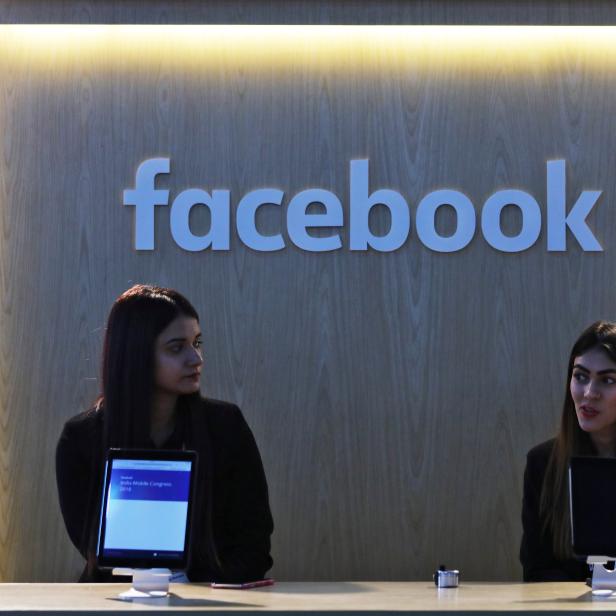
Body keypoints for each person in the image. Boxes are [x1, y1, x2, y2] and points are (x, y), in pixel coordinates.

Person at [56, 284, 273, 582]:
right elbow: (97, 551)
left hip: (210, 602)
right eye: (177, 347)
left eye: (197, 343)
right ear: (136, 354)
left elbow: (254, 544)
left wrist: (199, 590)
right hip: (117, 603)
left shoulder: (225, 426)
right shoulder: (82, 438)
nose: (196, 359)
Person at [520, 320, 616, 581]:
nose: (589, 393)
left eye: (607, 380)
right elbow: (535, 572)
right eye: (580, 376)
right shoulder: (543, 464)